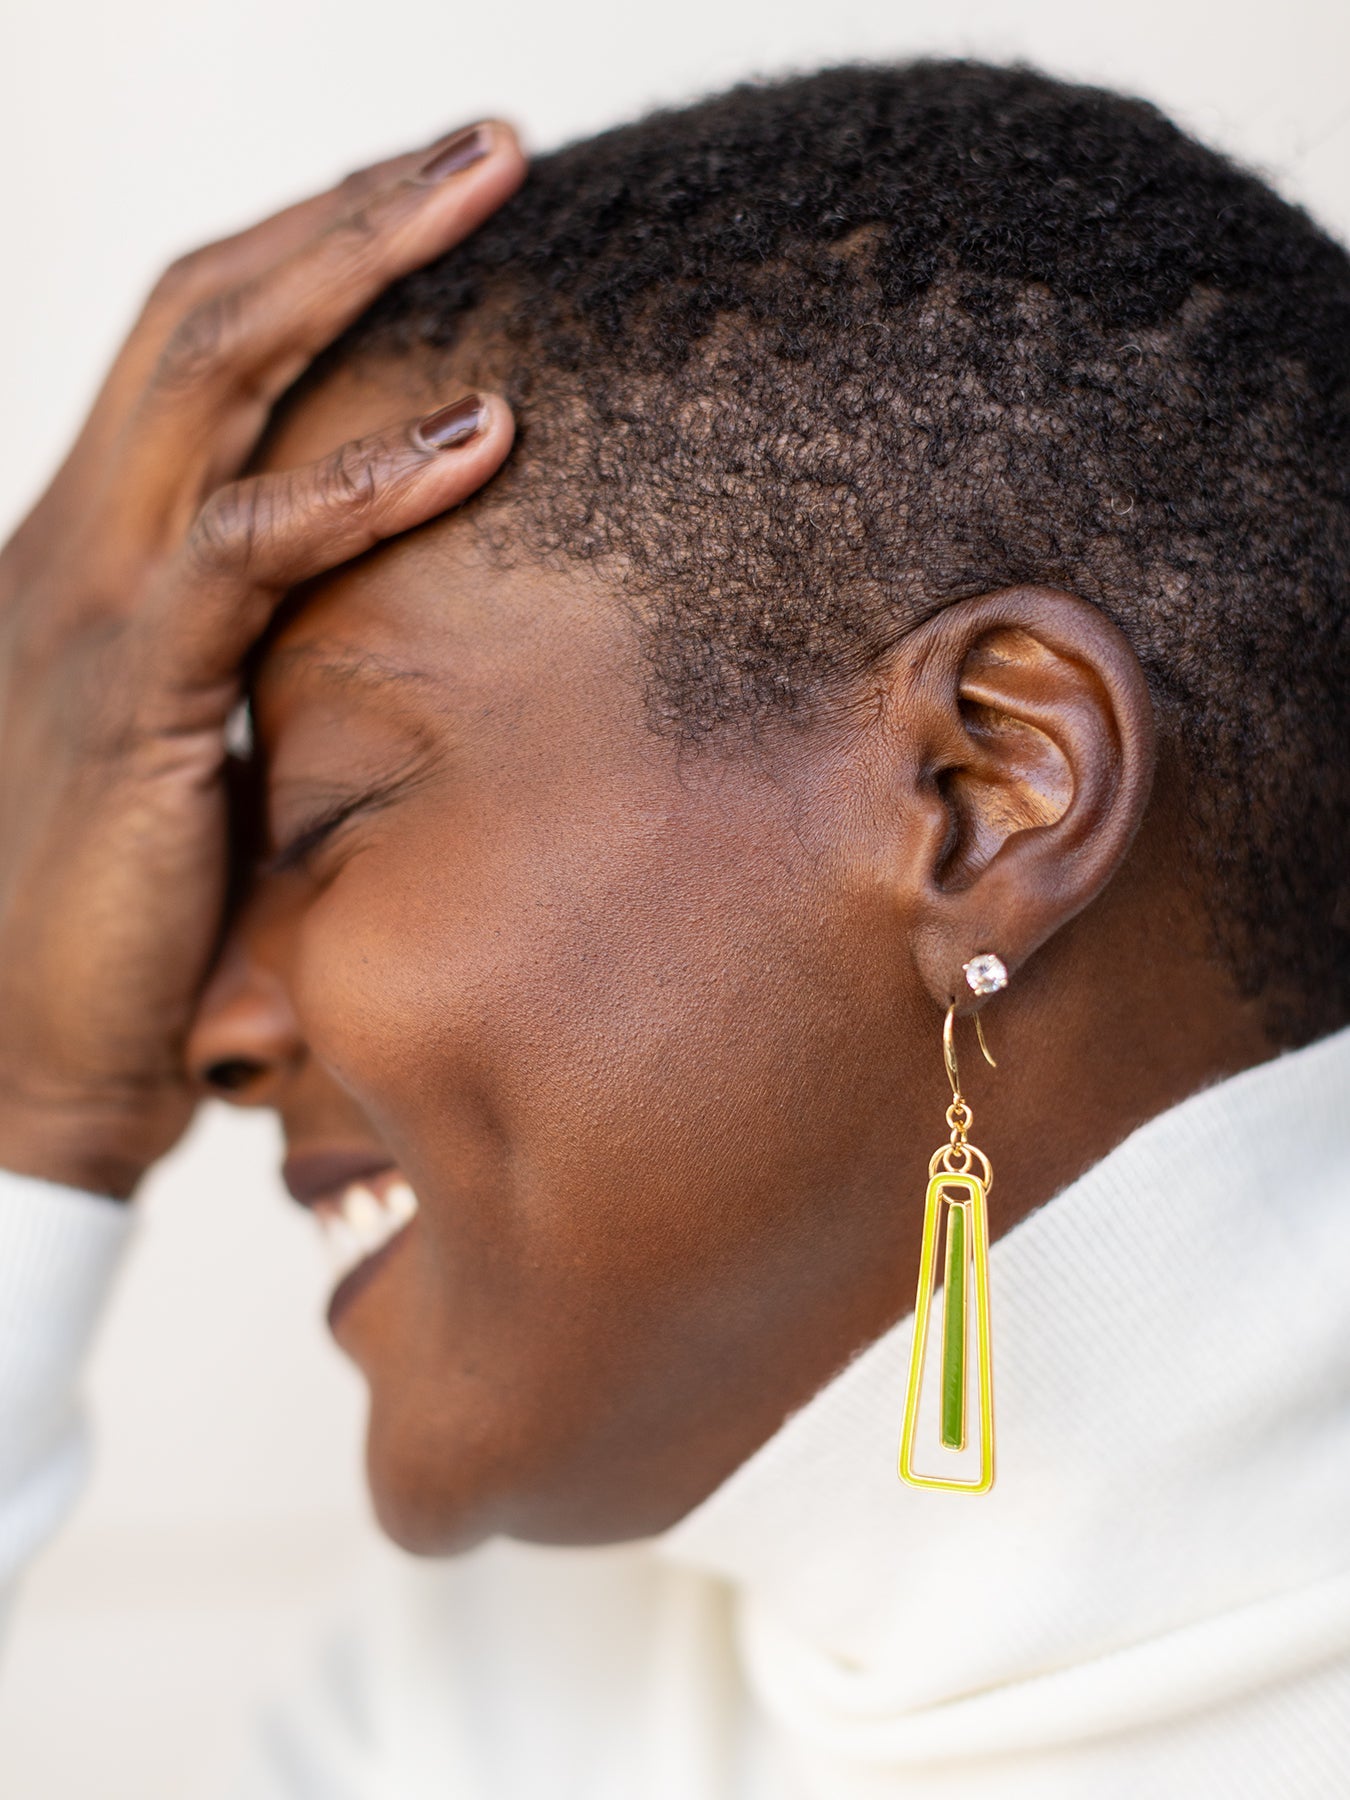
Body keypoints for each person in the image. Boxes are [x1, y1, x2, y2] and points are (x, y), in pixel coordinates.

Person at [1, 59, 1348, 1797]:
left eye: (321, 825)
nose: (207, 1027)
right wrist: (36, 1120)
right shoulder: (502, 1712)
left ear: (983, 784)